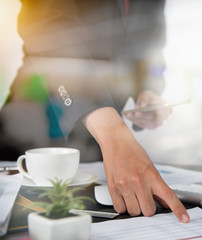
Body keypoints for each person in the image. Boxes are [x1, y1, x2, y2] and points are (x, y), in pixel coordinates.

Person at [1, 0, 189, 222]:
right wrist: (112, 131)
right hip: (36, 129)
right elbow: (48, 26)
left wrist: (149, 90)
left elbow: (152, 49)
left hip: (100, 148)